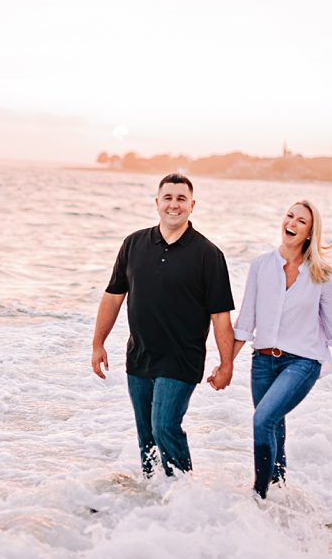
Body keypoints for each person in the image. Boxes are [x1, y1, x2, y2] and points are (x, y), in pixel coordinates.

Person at [208, 199, 332, 499]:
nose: (291, 223)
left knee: (262, 419)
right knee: (273, 425)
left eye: (301, 221)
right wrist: (226, 364)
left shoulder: (321, 274)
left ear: (309, 232)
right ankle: (280, 496)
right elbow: (245, 322)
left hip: (303, 362)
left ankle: (258, 496)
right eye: (289, 216)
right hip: (263, 362)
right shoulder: (261, 266)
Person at [91, 173, 236, 477]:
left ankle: (184, 497)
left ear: (192, 205)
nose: (174, 205)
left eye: (181, 199)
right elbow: (113, 296)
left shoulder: (208, 255)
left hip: (182, 359)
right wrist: (97, 344)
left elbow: (221, 316)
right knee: (147, 437)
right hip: (140, 356)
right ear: (157, 203)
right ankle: (156, 502)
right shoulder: (133, 244)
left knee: (165, 426)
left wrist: (226, 365)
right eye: (168, 198)